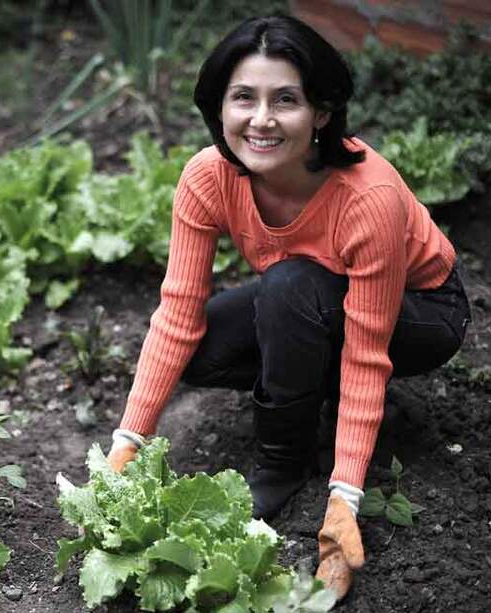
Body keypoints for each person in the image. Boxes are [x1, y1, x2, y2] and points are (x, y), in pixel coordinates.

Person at [105, 14, 471, 600]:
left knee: (291, 287)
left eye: (286, 100)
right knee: (201, 348)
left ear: (321, 112)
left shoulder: (366, 197)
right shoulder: (208, 177)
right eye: (243, 98)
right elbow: (176, 312)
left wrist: (345, 499)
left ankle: (282, 463)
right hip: (313, 297)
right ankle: (309, 386)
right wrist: (127, 443)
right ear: (219, 106)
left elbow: (369, 350)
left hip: (421, 311)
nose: (261, 119)